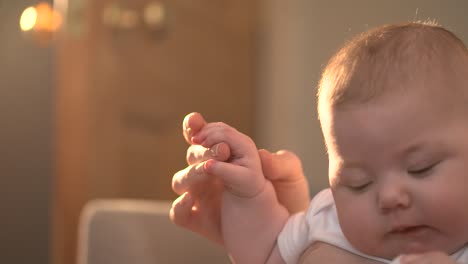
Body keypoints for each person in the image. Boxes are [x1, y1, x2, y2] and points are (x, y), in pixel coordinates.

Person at [171, 21, 468, 264]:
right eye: (358, 183)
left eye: (420, 168)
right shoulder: (329, 222)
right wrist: (248, 194)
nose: (390, 196)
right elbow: (263, 254)